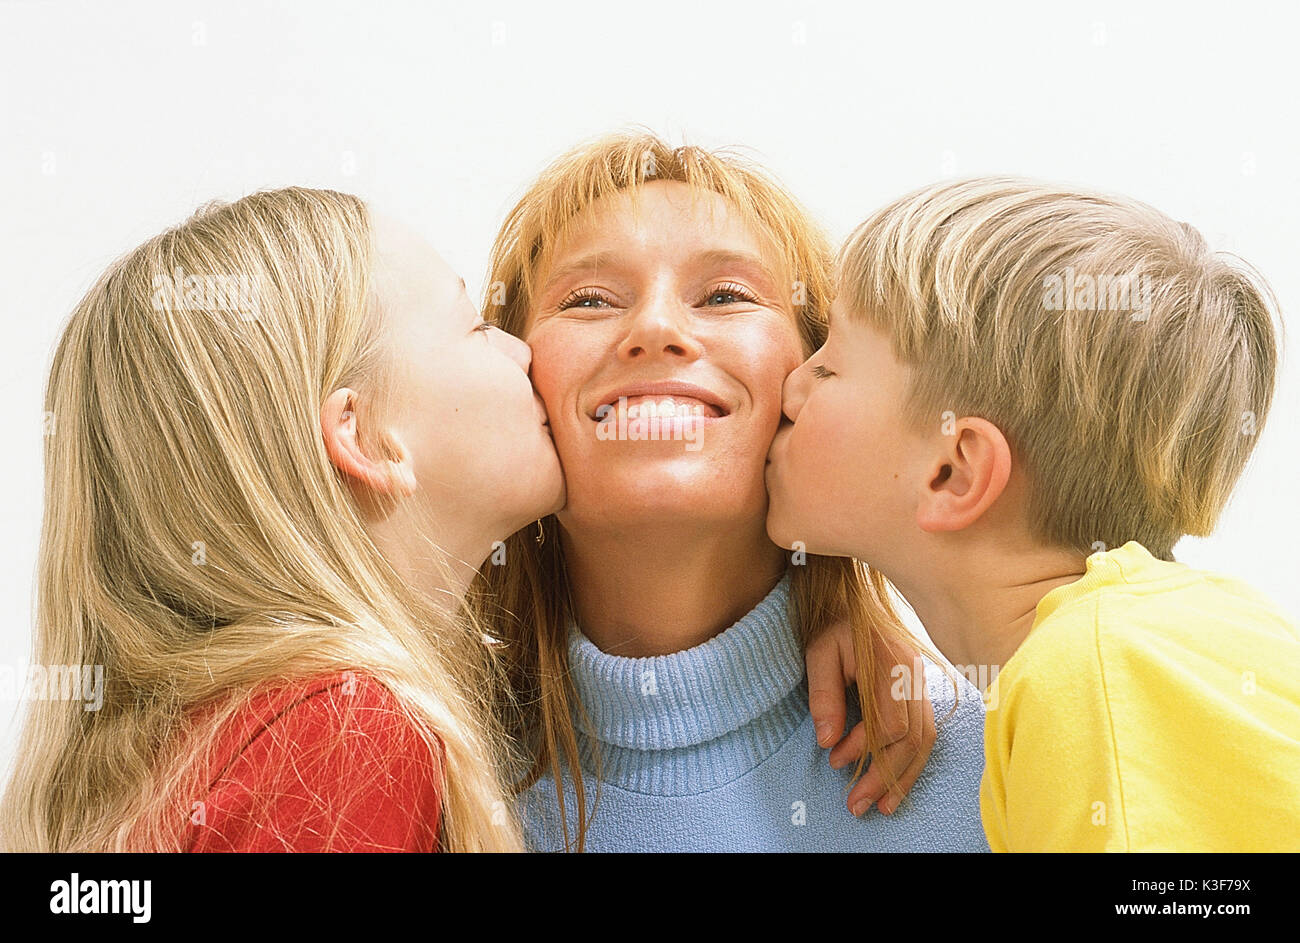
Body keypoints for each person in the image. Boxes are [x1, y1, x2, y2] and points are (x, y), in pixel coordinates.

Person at [0, 187, 564, 851]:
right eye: (475, 327)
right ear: (366, 437)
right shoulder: (346, 735)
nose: (523, 352)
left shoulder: (193, 747)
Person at [475, 133, 989, 852]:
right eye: (588, 300)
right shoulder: (428, 771)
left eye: (725, 295)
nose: (654, 328)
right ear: (514, 384)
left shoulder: (995, 775)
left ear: (813, 383)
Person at [765, 176, 1300, 851]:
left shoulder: (1091, 673)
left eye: (830, 367)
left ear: (953, 471)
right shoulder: (1169, 635)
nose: (790, 385)